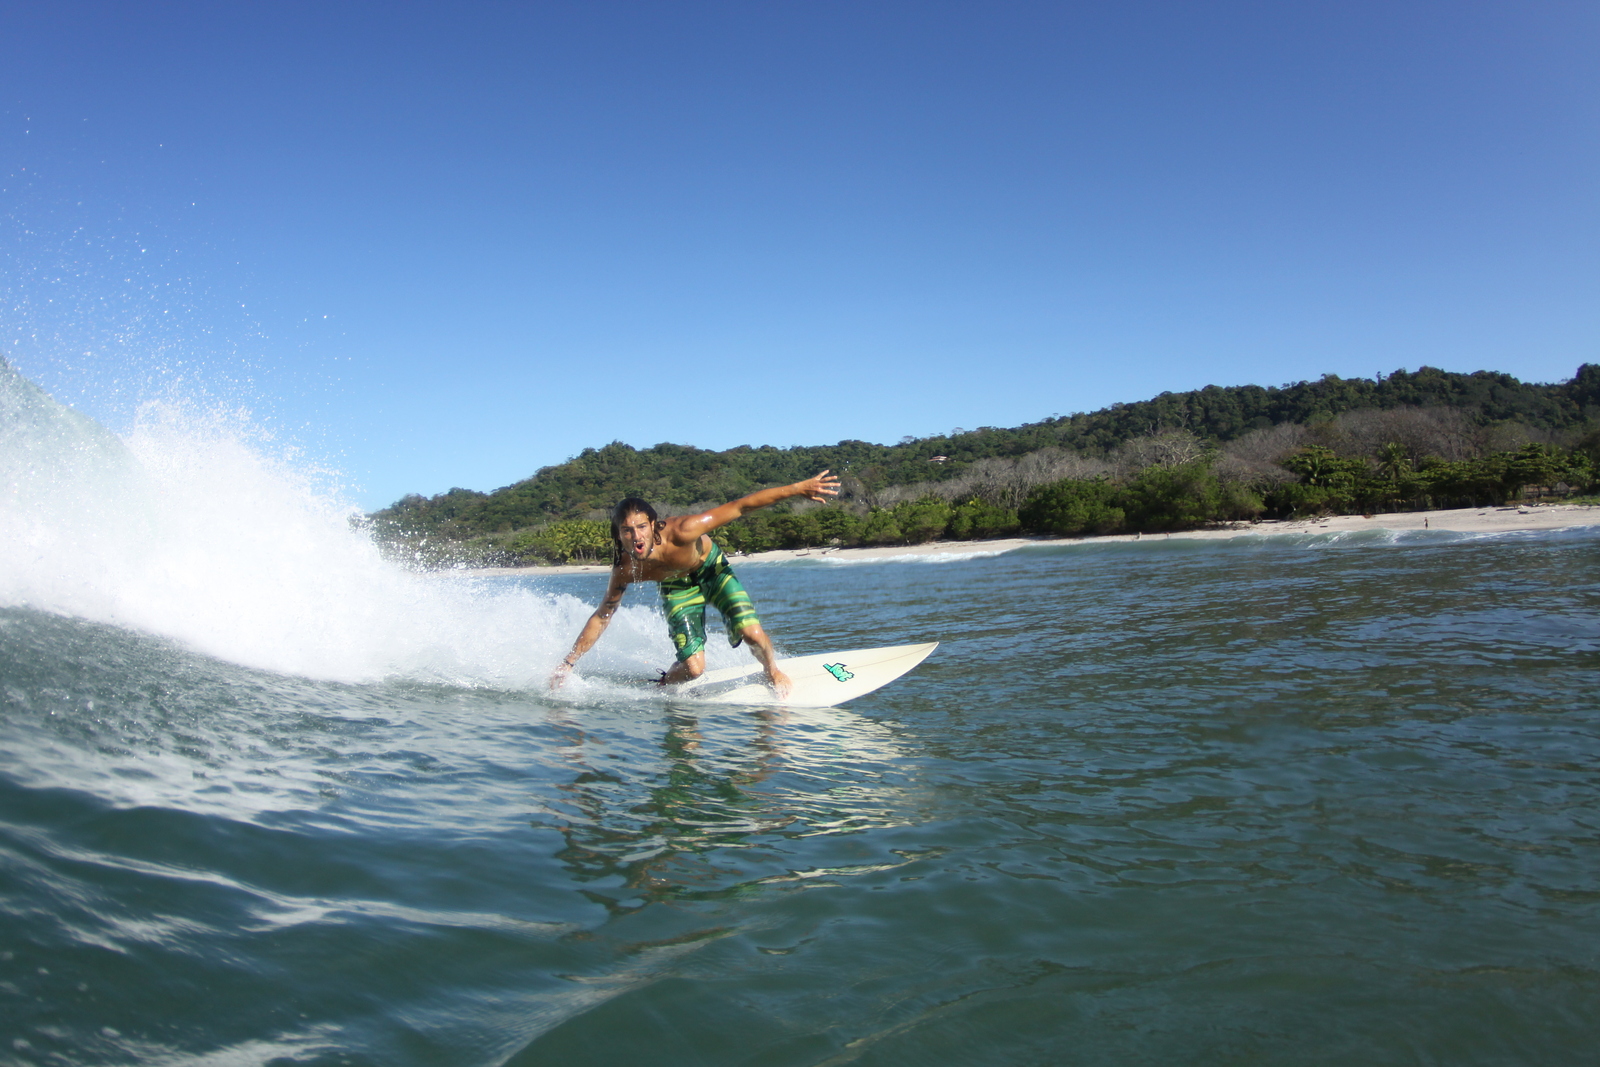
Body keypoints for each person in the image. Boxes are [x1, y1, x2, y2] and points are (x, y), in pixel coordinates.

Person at [548, 471, 841, 697]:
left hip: (711, 570)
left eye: (641, 527)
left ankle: (772, 671)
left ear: (653, 524)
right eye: (626, 531)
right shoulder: (625, 568)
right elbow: (603, 616)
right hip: (677, 587)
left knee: (752, 634)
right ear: (618, 534)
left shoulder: (684, 531)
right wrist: (569, 662)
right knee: (693, 669)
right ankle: (663, 685)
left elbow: (740, 506)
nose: (635, 536)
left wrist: (797, 489)